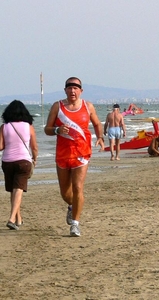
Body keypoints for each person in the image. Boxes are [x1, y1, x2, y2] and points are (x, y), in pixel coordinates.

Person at [44, 77, 104, 237]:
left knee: (78, 187)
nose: (72, 90)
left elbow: (97, 123)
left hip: (82, 153)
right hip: (63, 154)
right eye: (69, 87)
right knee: (65, 193)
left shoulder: (87, 106)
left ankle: (75, 224)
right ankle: (73, 206)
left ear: (81, 91)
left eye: (76, 88)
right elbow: (47, 129)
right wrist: (57, 130)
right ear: (65, 90)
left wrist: (100, 137)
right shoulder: (58, 106)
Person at [0, 100, 38, 230]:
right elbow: (34, 147)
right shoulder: (28, 126)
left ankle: (18, 219)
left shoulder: (4, 127)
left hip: (8, 161)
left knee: (13, 190)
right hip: (23, 161)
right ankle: (11, 218)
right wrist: (34, 159)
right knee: (18, 190)